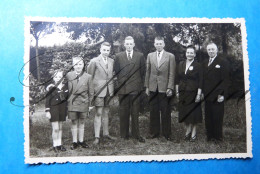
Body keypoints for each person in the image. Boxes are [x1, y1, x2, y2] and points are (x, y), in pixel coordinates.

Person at [114, 36, 146, 143]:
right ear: (124, 45)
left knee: (135, 112)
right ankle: (124, 135)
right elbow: (117, 72)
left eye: (130, 44)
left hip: (135, 88)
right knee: (124, 112)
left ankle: (136, 135)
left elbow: (142, 72)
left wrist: (138, 84)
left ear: (134, 44)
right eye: (126, 44)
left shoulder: (140, 56)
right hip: (123, 89)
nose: (128, 46)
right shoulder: (118, 56)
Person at [145, 36, 176, 141]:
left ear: (164, 44)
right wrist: (147, 86)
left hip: (164, 88)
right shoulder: (150, 55)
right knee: (153, 111)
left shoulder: (170, 56)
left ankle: (167, 134)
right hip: (153, 87)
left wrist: (170, 87)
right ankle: (154, 133)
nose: (158, 45)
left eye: (160, 43)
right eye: (157, 43)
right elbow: (148, 72)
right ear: (154, 44)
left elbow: (172, 73)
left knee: (165, 111)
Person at [87, 42, 116, 145]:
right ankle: (97, 137)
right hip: (98, 91)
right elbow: (89, 77)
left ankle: (106, 134)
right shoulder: (94, 61)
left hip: (109, 90)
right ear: (100, 50)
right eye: (104, 50)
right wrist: (91, 92)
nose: (106, 52)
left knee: (106, 112)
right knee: (98, 112)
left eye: (108, 50)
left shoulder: (112, 61)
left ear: (110, 51)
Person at [202, 42, 229, 142]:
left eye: (213, 49)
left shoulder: (223, 62)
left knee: (217, 116)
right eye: (209, 49)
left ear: (217, 50)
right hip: (207, 94)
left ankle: (218, 137)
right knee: (208, 116)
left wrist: (222, 94)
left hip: (218, 94)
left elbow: (225, 80)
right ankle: (210, 136)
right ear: (207, 51)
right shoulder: (205, 62)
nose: (211, 51)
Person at [175, 46, 203, 142]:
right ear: (185, 53)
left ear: (194, 54)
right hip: (183, 91)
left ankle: (194, 133)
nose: (189, 54)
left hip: (193, 92)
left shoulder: (198, 65)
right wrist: (177, 91)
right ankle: (187, 131)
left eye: (191, 53)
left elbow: (200, 81)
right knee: (185, 113)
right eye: (188, 52)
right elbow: (177, 79)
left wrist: (199, 94)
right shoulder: (181, 64)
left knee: (193, 113)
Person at [66, 56, 94, 149]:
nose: (78, 66)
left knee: (82, 122)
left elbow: (91, 92)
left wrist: (90, 105)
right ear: (73, 65)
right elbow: (63, 87)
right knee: (74, 122)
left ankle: (81, 141)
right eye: (76, 64)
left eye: (80, 64)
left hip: (84, 102)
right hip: (72, 103)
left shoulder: (88, 76)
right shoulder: (69, 75)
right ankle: (74, 142)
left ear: (83, 65)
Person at [45, 70, 68, 152]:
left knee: (60, 127)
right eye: (56, 77)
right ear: (53, 78)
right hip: (53, 109)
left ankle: (59, 145)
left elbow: (67, 99)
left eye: (59, 76)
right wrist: (47, 111)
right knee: (55, 128)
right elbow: (47, 100)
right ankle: (55, 145)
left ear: (63, 78)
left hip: (62, 109)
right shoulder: (51, 88)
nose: (58, 78)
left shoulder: (65, 87)